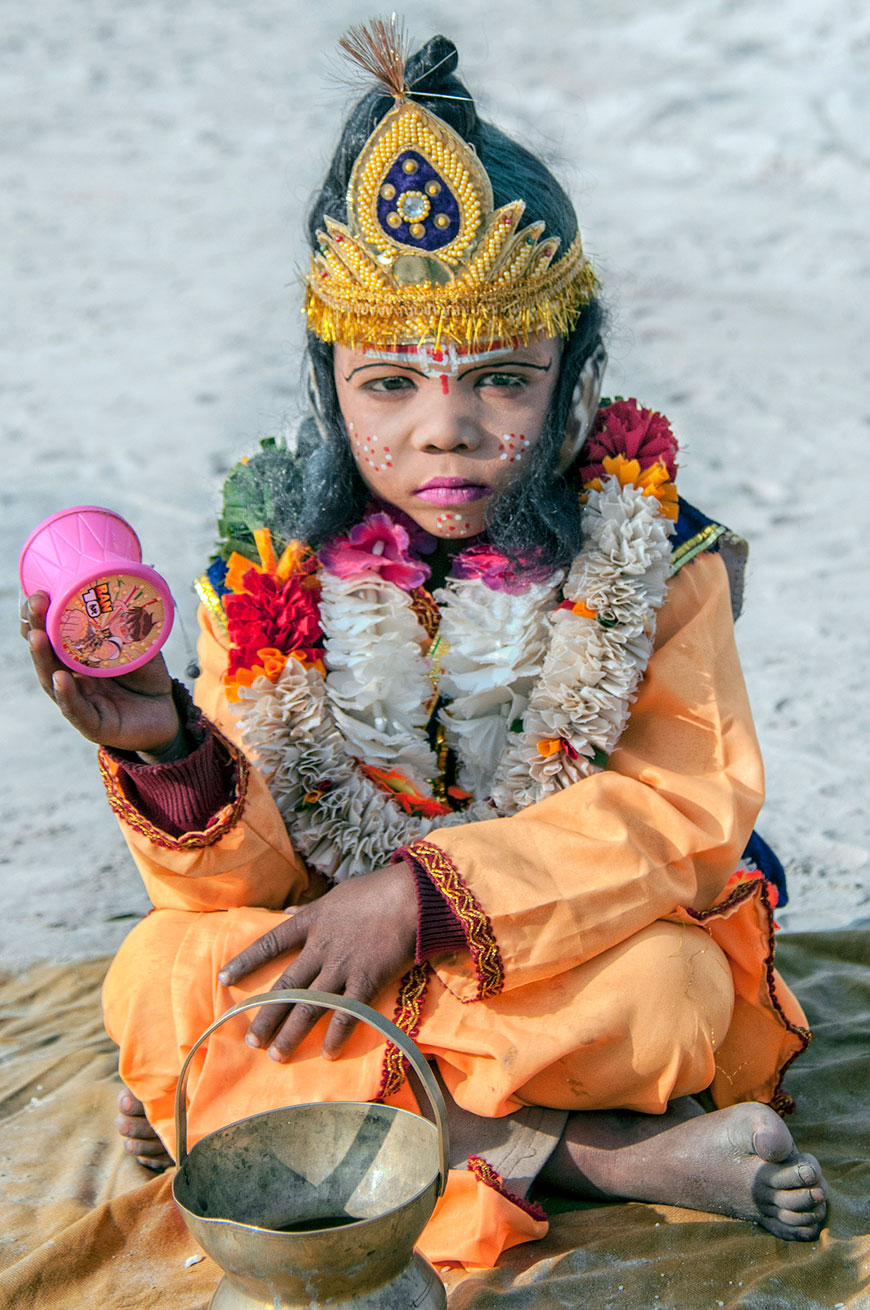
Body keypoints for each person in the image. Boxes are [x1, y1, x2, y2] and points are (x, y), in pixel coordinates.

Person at [21, 22, 827, 1268]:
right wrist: (173, 751)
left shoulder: (657, 552)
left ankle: (260, 1105)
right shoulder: (268, 559)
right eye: (387, 383)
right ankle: (599, 1152)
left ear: (572, 374)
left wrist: (421, 899)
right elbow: (249, 896)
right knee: (164, 971)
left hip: (564, 947)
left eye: (501, 379)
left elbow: (681, 811)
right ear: (327, 384)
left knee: (666, 994)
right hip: (345, 942)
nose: (444, 430)